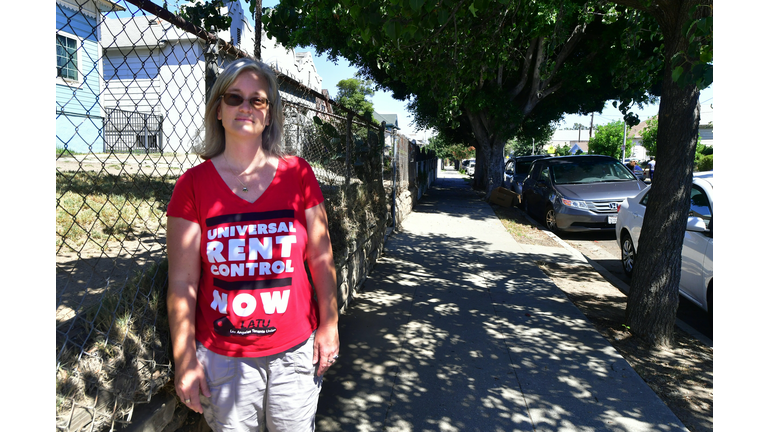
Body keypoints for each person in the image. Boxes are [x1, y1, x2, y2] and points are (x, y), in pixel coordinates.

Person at [165, 58, 339, 432]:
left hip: (294, 352)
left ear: (269, 112)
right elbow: (182, 282)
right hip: (223, 357)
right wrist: (184, 357)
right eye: (234, 97)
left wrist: (330, 323)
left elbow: (321, 258)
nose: (245, 107)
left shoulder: (299, 174)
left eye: (257, 100)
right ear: (218, 110)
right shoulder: (192, 185)